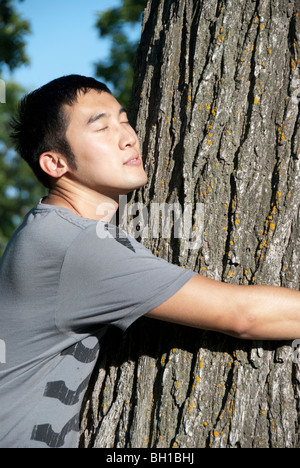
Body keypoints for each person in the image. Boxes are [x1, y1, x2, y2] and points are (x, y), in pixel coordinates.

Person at [0, 74, 299, 449]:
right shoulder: (78, 244)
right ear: (56, 163)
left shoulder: (47, 229)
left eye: (124, 120)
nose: (128, 136)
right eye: (102, 128)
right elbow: (244, 315)